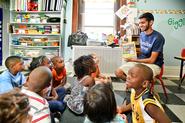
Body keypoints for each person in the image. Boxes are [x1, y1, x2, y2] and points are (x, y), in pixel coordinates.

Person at [115, 12, 165, 81]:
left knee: (138, 76)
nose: (140, 25)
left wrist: (133, 60)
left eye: (143, 22)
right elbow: (137, 51)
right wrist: (125, 46)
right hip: (139, 62)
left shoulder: (158, 37)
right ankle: (135, 85)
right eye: (140, 23)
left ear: (151, 22)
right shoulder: (140, 34)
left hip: (153, 65)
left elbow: (151, 60)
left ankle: (139, 86)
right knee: (118, 72)